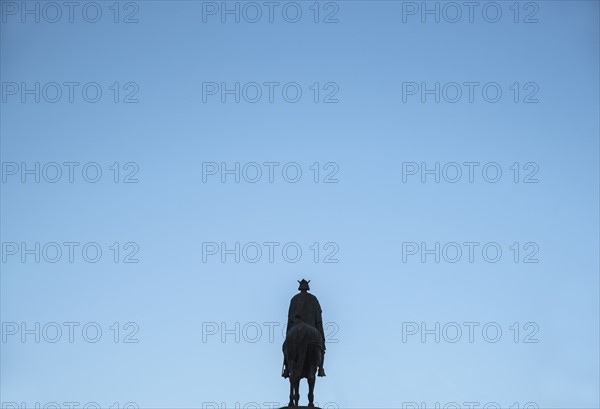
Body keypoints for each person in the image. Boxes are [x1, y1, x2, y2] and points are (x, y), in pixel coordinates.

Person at [282, 279, 326, 378]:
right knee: (322, 347)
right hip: (312, 327)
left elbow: (290, 319)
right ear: (307, 288)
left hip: (295, 327)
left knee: (285, 347)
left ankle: (286, 368)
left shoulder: (294, 299)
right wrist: (322, 335)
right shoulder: (314, 299)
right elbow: (318, 318)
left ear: (300, 288)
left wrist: (288, 334)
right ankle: (321, 369)